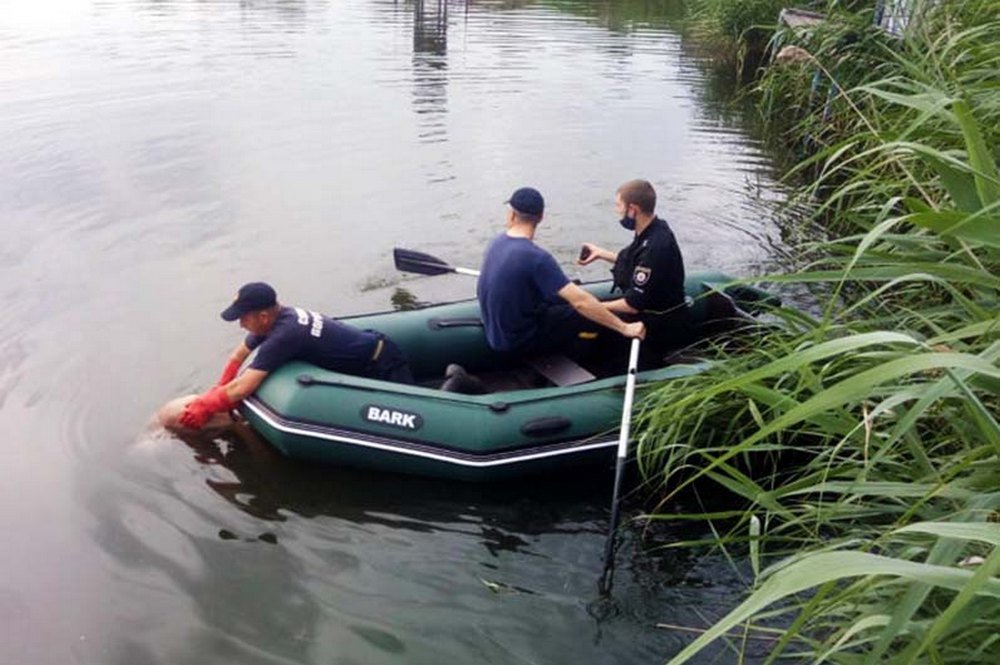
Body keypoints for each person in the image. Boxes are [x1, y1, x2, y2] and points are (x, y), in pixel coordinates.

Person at [178, 282, 413, 430]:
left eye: (243, 318)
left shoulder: (285, 335)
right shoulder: (278, 318)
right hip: (369, 351)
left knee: (408, 418)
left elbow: (244, 387)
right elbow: (240, 354)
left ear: (263, 316)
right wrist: (221, 386)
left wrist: (204, 405)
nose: (240, 324)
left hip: (383, 363)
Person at [476, 187, 645, 358]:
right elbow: (581, 303)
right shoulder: (536, 258)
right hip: (520, 341)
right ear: (541, 217)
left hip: (496, 335)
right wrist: (624, 327)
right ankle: (592, 365)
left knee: (566, 295)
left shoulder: (496, 243)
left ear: (511, 214)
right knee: (587, 317)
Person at [578, 179, 689, 350]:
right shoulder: (652, 229)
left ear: (632, 209)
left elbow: (632, 305)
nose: (617, 211)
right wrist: (600, 253)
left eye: (619, 206)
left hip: (657, 325)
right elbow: (634, 261)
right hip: (647, 311)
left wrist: (594, 307)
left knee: (588, 328)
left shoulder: (656, 246)